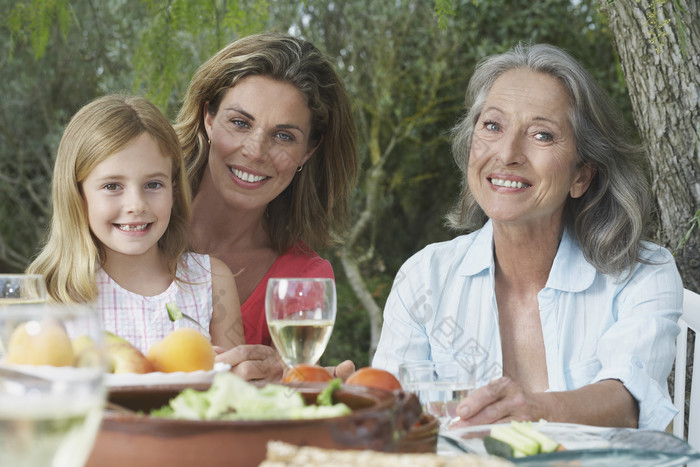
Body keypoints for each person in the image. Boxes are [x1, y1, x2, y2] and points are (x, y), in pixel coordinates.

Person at [372, 43, 682, 431]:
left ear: (580, 176)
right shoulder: (422, 279)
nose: (507, 153)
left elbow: (627, 402)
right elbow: (390, 416)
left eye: (542, 135)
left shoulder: (642, 273)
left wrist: (530, 407)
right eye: (492, 126)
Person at [175, 33, 358, 380]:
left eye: (284, 136)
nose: (256, 150)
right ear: (208, 118)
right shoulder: (131, 222)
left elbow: (274, 402)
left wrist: (289, 384)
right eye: (240, 123)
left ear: (309, 150)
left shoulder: (302, 279)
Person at [27, 94, 244, 354]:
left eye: (153, 185)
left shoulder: (211, 280)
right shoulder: (52, 294)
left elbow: (234, 390)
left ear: (174, 190)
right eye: (112, 186)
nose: (136, 205)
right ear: (77, 194)